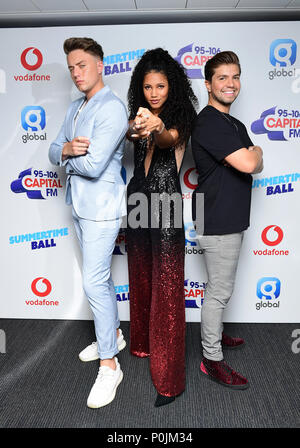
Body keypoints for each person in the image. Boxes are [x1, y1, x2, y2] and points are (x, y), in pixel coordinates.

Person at [48, 37, 128, 408]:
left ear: (100, 65)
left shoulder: (112, 109)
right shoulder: (76, 108)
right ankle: (110, 332)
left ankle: (110, 364)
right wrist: (66, 149)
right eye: (71, 68)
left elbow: (95, 165)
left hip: (102, 208)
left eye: (82, 65)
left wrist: (69, 158)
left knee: (94, 281)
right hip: (79, 206)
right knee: (102, 278)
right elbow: (54, 148)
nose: (77, 73)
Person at [126, 48, 198, 407]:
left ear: (173, 87)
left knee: (168, 286)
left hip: (166, 205)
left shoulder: (180, 116)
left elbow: (169, 140)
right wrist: (137, 125)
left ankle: (169, 381)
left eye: (161, 86)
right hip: (137, 198)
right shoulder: (138, 116)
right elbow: (129, 136)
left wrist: (156, 128)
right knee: (140, 274)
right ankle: (140, 345)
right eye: (148, 87)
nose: (154, 93)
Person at [191, 51, 263, 389]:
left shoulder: (234, 124)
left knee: (219, 288)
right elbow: (251, 162)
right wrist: (254, 153)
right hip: (216, 217)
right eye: (222, 77)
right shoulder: (208, 121)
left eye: (235, 76)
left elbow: (254, 157)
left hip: (229, 216)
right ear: (208, 84)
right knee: (218, 292)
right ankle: (211, 359)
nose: (230, 83)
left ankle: (214, 335)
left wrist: (254, 153)